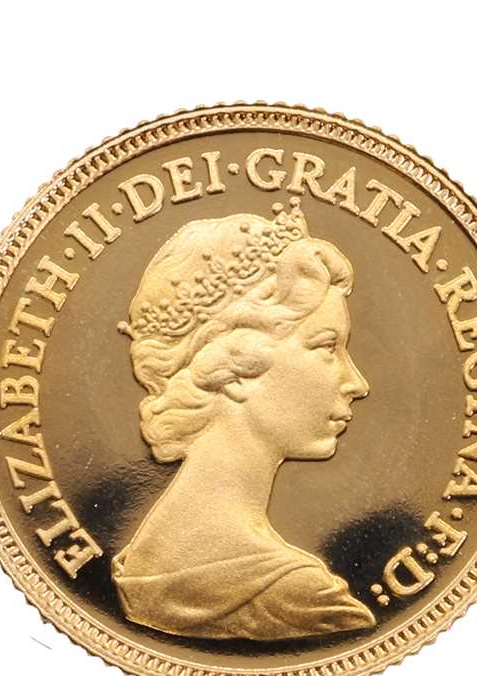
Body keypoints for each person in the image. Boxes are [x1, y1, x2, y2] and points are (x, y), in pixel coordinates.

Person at [112, 198, 377, 640]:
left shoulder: (143, 561)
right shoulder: (300, 599)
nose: (357, 383)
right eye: (326, 347)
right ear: (235, 368)